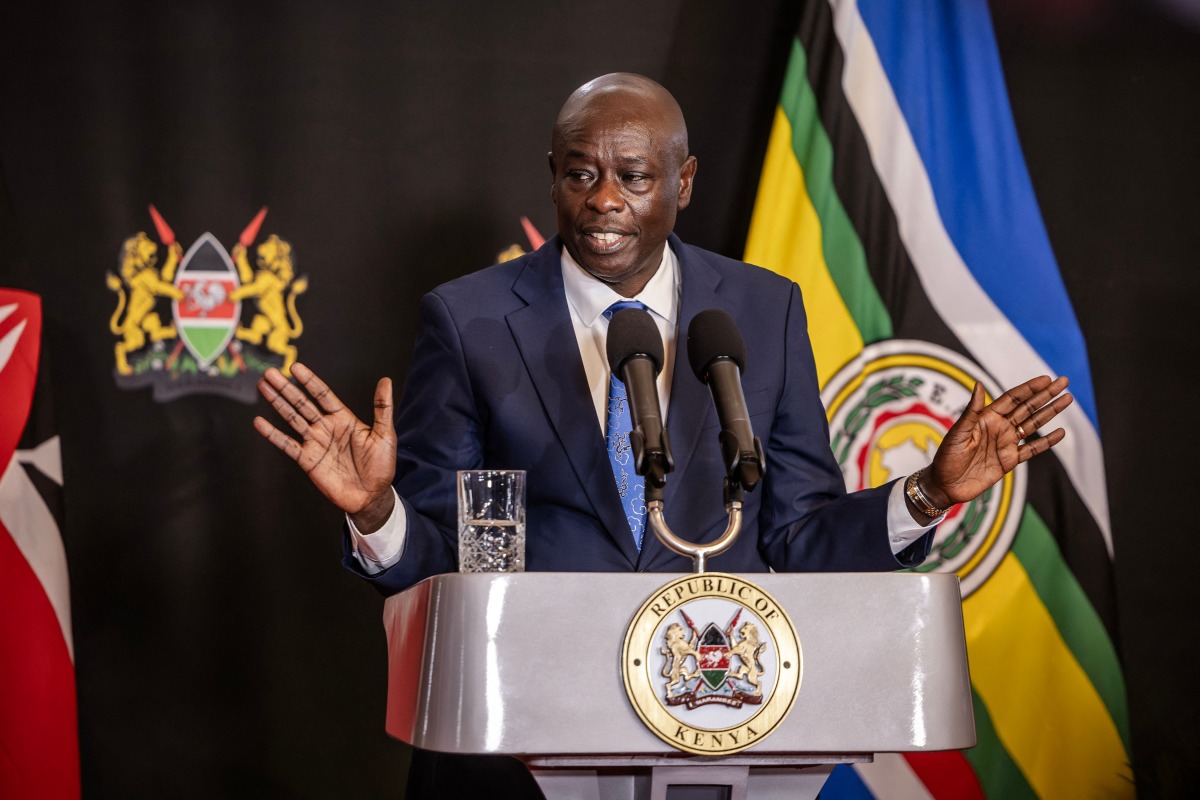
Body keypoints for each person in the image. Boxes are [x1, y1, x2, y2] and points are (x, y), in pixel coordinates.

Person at [253, 73, 1072, 798]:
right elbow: (446, 568)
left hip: (718, 738)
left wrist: (928, 493)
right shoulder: (468, 320)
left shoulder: (763, 310)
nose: (604, 199)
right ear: (553, 180)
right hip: (513, 751)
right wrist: (374, 512)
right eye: (581, 174)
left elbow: (795, 535)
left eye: (634, 177)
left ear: (682, 183)